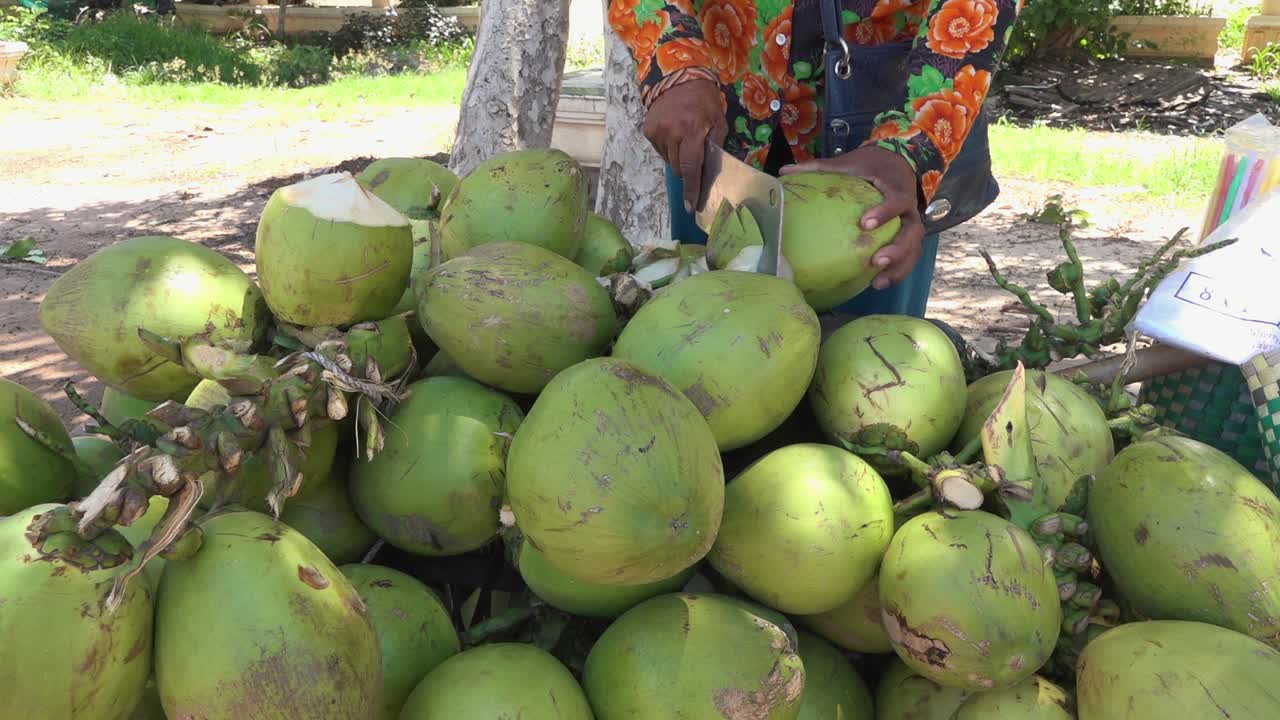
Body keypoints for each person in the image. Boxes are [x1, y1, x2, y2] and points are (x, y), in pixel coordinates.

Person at [607, 0, 1023, 320]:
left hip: (879, 159)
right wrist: (672, 60)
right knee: (697, 348)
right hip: (715, 134)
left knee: (866, 378)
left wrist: (915, 143)